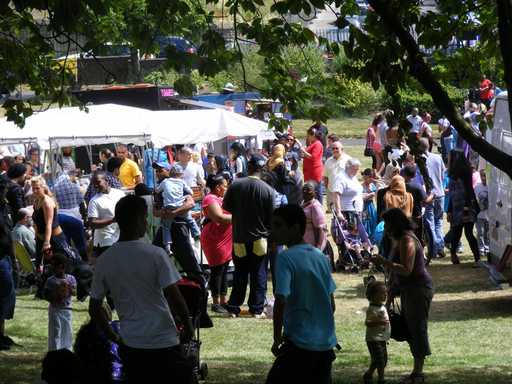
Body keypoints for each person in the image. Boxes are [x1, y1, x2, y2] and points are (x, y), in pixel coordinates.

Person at [89, 195, 195, 384]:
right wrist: (187, 327)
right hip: (163, 339)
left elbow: (94, 306)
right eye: (145, 218)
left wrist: (112, 336)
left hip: (131, 341)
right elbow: (175, 297)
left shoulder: (105, 260)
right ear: (139, 220)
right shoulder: (156, 254)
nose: (147, 223)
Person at [266, 204, 337, 384]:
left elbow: (281, 299)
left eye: (278, 225)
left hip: (299, 344)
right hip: (325, 346)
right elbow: (332, 304)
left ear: (296, 227)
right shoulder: (320, 257)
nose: (272, 231)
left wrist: (276, 339)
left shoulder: (285, 257)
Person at [373, 208, 434, 384]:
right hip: (408, 289)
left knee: (417, 329)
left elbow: (406, 270)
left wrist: (384, 262)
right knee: (410, 329)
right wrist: (390, 294)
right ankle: (416, 371)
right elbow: (396, 274)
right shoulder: (398, 239)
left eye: (388, 225)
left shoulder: (407, 239)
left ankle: (418, 373)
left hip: (418, 289)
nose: (385, 229)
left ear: (395, 224)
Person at [222, 154, 274, 318]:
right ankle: (256, 308)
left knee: (240, 273)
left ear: (249, 167)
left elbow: (227, 208)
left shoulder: (236, 186)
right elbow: (271, 217)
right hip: (260, 238)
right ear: (261, 169)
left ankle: (234, 307)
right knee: (259, 274)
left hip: (239, 237)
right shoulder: (268, 190)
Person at [200, 174, 232, 314]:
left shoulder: (221, 198)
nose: (226, 187)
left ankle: (224, 300)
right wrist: (239, 217)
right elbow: (219, 217)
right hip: (214, 238)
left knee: (224, 269)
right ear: (218, 187)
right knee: (217, 270)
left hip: (226, 238)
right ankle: (216, 302)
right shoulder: (210, 199)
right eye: (225, 185)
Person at [156, 163, 200, 252]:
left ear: (169, 172)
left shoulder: (166, 183)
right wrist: (163, 212)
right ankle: (197, 235)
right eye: (156, 171)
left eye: (160, 170)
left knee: (188, 260)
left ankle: (196, 237)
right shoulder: (175, 183)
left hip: (180, 228)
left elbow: (190, 204)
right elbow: (155, 211)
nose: (157, 173)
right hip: (168, 221)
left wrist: (173, 213)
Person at [447, 151, 480, 266]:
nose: (448, 159)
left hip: (466, 207)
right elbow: (451, 194)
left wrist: (467, 206)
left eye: (450, 157)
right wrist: (449, 210)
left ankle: (477, 258)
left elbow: (469, 190)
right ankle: (453, 255)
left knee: (468, 233)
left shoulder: (466, 172)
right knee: (456, 233)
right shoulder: (452, 174)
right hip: (456, 208)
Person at [31, 177, 70, 263]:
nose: (34, 191)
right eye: (33, 188)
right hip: (42, 238)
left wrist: (46, 243)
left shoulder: (47, 202)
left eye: (37, 188)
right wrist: (37, 236)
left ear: (43, 187)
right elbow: (36, 222)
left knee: (59, 266)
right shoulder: (37, 200)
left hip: (54, 239)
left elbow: (49, 224)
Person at [87, 171, 125, 258]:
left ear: (106, 180)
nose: (96, 185)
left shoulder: (120, 194)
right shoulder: (94, 201)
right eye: (94, 184)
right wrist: (112, 220)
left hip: (120, 239)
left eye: (98, 182)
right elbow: (92, 223)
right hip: (105, 242)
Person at [419, 138, 446, 260]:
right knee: (438, 221)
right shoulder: (438, 158)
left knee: (430, 222)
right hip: (440, 194)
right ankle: (440, 247)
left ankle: (434, 248)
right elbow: (442, 175)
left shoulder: (419, 161)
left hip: (429, 196)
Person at [44, 253, 77, 351]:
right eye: (52, 265)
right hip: (55, 310)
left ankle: (67, 351)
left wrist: (69, 288)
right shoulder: (50, 280)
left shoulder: (71, 279)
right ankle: (54, 352)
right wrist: (56, 293)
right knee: (56, 331)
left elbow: (75, 293)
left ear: (62, 266)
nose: (52, 268)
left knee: (67, 331)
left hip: (67, 310)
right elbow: (46, 295)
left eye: (54, 266)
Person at [363, 280, 390, 384]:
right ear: (373, 295)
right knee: (380, 360)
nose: (385, 295)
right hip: (373, 339)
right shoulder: (372, 309)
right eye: (382, 293)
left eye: (386, 293)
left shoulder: (381, 306)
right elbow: (368, 323)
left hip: (382, 338)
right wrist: (380, 321)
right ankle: (381, 379)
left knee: (380, 359)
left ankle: (368, 374)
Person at [0, 214, 16, 351]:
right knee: (4, 298)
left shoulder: (3, 209)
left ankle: (2, 335)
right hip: (2, 259)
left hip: (5, 258)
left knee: (6, 299)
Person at [402, 165, 429, 247]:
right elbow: (426, 200)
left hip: (403, 215)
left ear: (404, 174)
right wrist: (432, 195)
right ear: (414, 175)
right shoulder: (417, 186)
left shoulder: (400, 185)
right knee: (418, 237)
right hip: (416, 216)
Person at [299, 127, 324, 204]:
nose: (307, 137)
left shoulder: (318, 144)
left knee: (316, 190)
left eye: (308, 135)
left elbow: (313, 157)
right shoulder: (312, 144)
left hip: (314, 171)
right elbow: (307, 155)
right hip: (309, 172)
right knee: (310, 189)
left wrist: (303, 151)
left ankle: (319, 205)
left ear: (313, 135)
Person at [324, 141, 351, 209]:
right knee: (334, 212)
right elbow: (326, 177)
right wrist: (328, 189)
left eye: (337, 148)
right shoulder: (328, 161)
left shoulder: (348, 160)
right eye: (333, 148)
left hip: (345, 191)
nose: (335, 150)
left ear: (342, 149)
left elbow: (353, 176)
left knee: (345, 210)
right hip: (332, 191)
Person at [301, 182, 327, 251]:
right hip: (303, 245)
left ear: (314, 192)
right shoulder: (302, 203)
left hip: (313, 247)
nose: (305, 191)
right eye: (304, 189)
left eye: (308, 190)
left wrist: (319, 248)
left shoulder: (315, 206)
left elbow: (321, 229)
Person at [474, 169, 489, 262]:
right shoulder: (477, 187)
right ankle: (481, 249)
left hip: (489, 215)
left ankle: (487, 248)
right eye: (482, 175)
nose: (484, 178)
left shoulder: (491, 187)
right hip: (479, 214)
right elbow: (475, 199)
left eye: (485, 176)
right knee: (480, 232)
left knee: (488, 233)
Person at [361, 169, 378, 243]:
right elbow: (361, 198)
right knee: (365, 223)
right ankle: (366, 240)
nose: (371, 179)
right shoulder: (361, 186)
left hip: (371, 206)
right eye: (370, 177)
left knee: (373, 222)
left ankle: (372, 241)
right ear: (365, 177)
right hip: (364, 207)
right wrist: (369, 195)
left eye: (372, 177)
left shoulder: (372, 185)